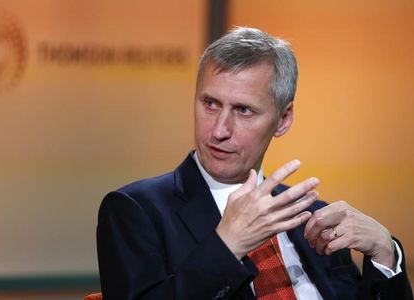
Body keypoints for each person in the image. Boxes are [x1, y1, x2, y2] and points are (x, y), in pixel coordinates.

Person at [97, 27, 413, 299]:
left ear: (283, 119)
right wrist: (227, 246)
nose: (219, 130)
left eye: (244, 110)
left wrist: (386, 255)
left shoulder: (312, 218)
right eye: (210, 104)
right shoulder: (136, 211)